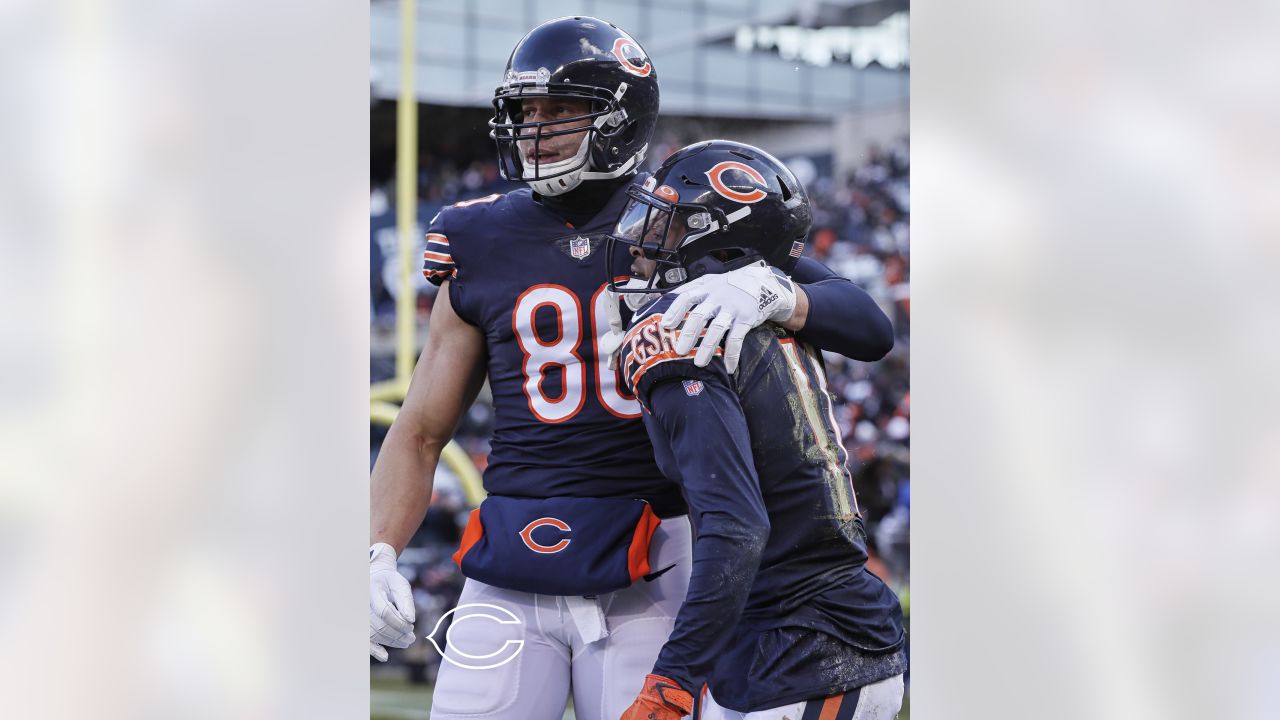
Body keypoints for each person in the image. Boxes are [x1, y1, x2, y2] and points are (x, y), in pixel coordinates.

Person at [369, 17, 895, 720]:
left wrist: (778, 291)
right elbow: (420, 429)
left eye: (561, 109)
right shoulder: (476, 235)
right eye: (528, 110)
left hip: (654, 557)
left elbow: (865, 322)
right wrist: (377, 551)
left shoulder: (679, 207)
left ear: (621, 118)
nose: (537, 127)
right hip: (509, 559)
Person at [611, 140, 907, 720]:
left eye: (668, 224)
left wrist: (673, 678)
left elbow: (738, 524)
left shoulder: (679, 327)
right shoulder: (743, 292)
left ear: (716, 236)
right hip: (803, 632)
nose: (640, 243)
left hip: (802, 648)